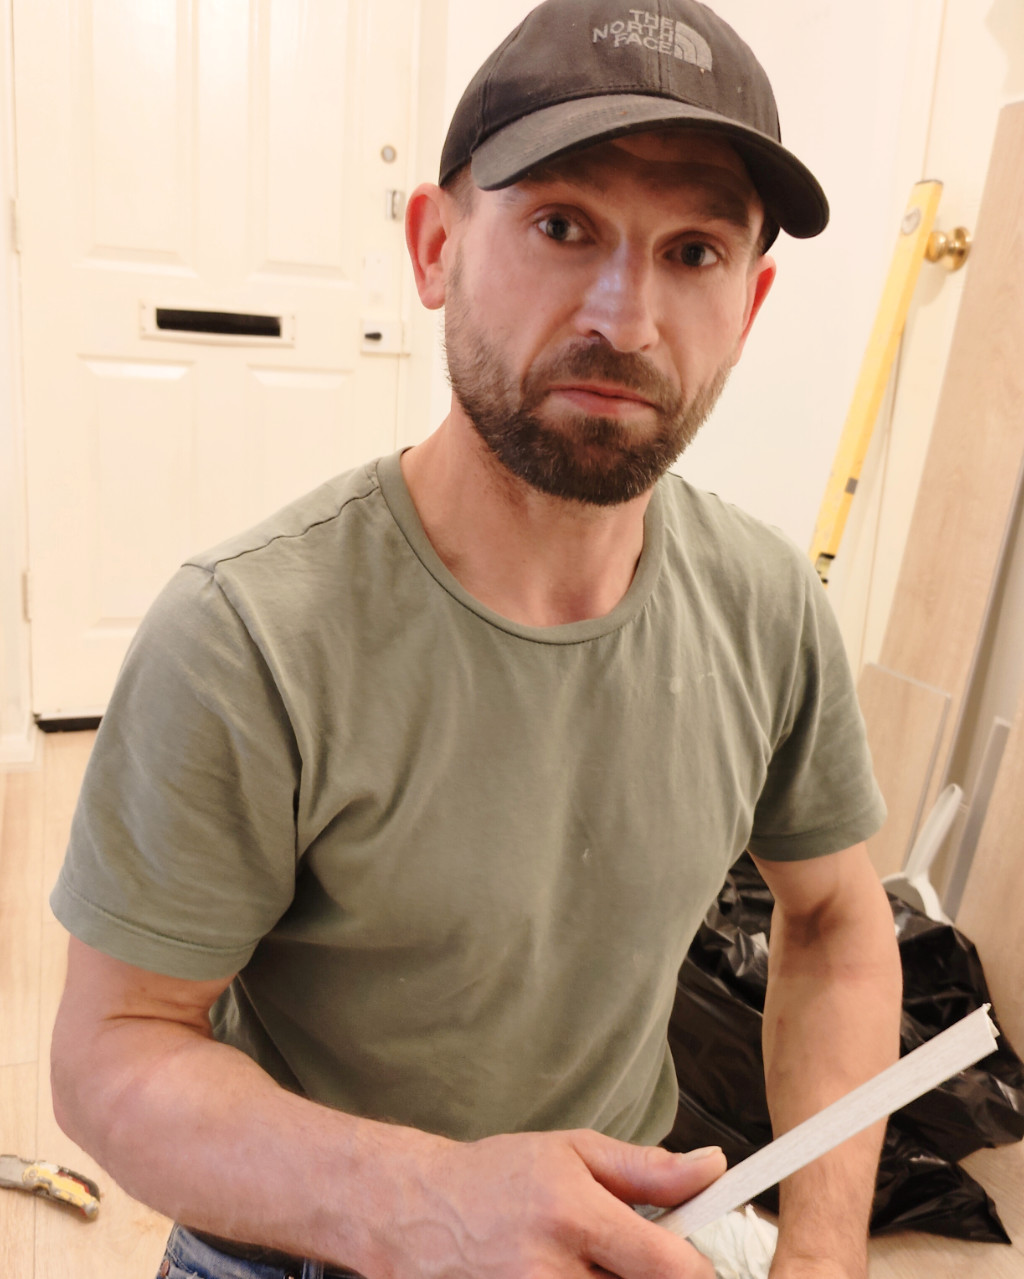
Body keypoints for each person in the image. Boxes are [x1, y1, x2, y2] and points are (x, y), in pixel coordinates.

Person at [49, 1, 902, 1276]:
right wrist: (428, 1200)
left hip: (624, 1233)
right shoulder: (247, 634)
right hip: (301, 1245)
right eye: (563, 226)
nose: (626, 316)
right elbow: (111, 1052)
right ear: (433, 247)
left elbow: (836, 921)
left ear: (752, 301)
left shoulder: (770, 607)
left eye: (693, 252)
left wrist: (822, 1254)